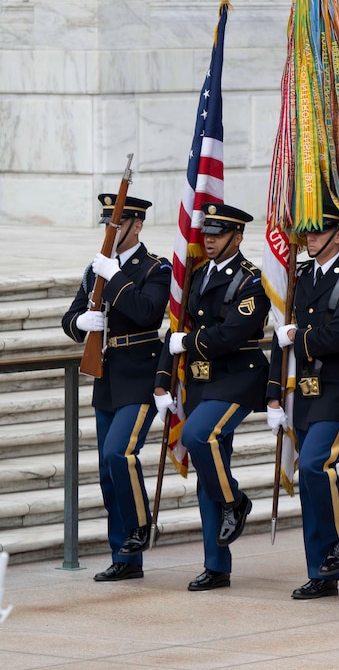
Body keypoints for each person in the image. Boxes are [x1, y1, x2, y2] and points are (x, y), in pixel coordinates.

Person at [154, 203, 270, 592]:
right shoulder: (197, 275)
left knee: (198, 436)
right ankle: (216, 565)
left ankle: (235, 502)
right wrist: (162, 379)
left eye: (219, 234)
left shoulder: (252, 281)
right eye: (208, 233)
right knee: (208, 472)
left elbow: (231, 334)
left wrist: (186, 342)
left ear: (238, 238)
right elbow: (174, 328)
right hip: (203, 382)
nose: (210, 239)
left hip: (239, 379)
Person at [61, 194, 170, 582]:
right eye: (108, 222)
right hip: (106, 377)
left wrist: (116, 277)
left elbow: (147, 312)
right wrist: (82, 323)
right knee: (108, 471)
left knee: (118, 453)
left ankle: (140, 526)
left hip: (140, 375)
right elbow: (69, 318)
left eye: (118, 223)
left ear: (137, 226)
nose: (111, 230)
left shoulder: (155, 268)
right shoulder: (96, 269)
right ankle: (124, 556)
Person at [265, 208, 339, 600]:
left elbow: (337, 334)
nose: (308, 238)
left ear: (338, 235)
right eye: (305, 231)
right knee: (310, 484)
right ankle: (320, 573)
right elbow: (281, 339)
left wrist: (297, 333)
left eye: (318, 232)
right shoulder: (300, 278)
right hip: (305, 392)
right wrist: (273, 395)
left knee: (315, 463)